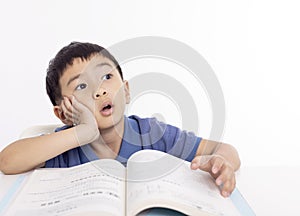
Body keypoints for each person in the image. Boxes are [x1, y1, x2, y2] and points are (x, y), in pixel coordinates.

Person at [0, 42, 240, 197]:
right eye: (82, 86)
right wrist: (82, 132)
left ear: (125, 90)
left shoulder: (152, 133)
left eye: (106, 76)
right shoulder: (63, 147)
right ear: (63, 112)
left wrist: (219, 161)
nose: (99, 91)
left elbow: (226, 150)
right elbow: (7, 162)